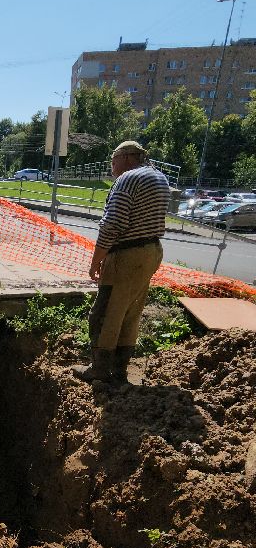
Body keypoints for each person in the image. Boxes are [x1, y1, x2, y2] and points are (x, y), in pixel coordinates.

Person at [74, 139, 170, 385]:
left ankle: (99, 369)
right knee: (130, 312)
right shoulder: (159, 178)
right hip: (151, 251)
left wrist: (96, 261)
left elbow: (112, 224)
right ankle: (120, 371)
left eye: (113, 160)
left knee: (104, 313)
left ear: (127, 157)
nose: (112, 166)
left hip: (126, 255)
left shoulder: (127, 179)